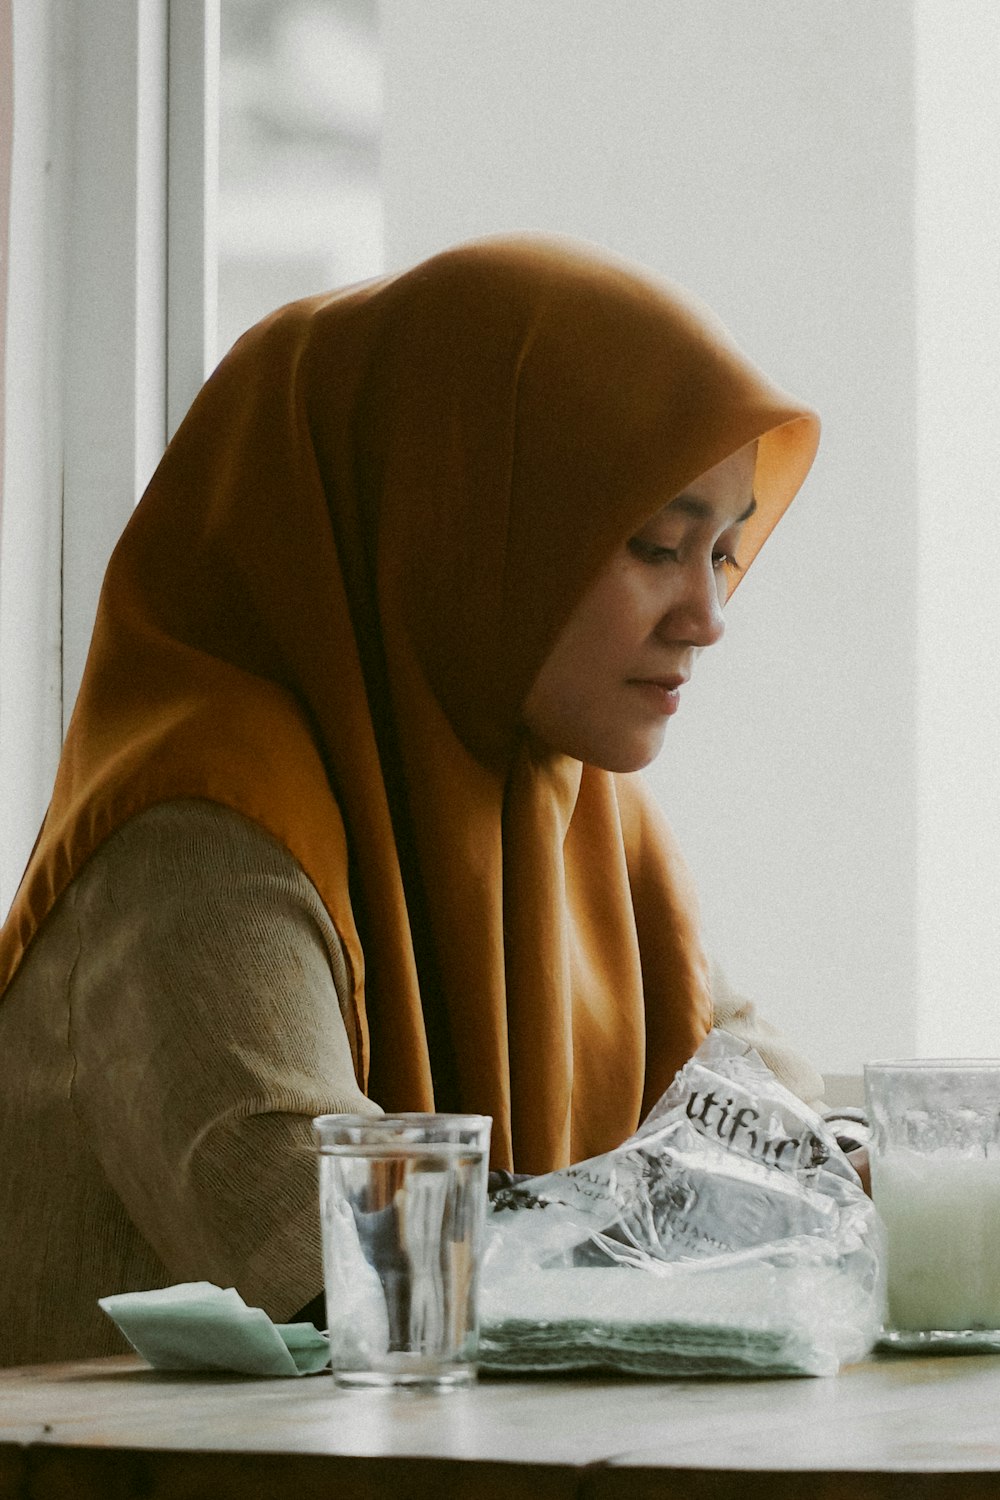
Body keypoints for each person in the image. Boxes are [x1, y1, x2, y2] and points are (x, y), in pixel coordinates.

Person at [0, 235, 824, 1368]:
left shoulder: (572, 812)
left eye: (721, 555)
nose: (706, 616)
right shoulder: (200, 832)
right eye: (653, 545)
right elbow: (352, 1269)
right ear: (456, 527)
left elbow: (777, 1132)